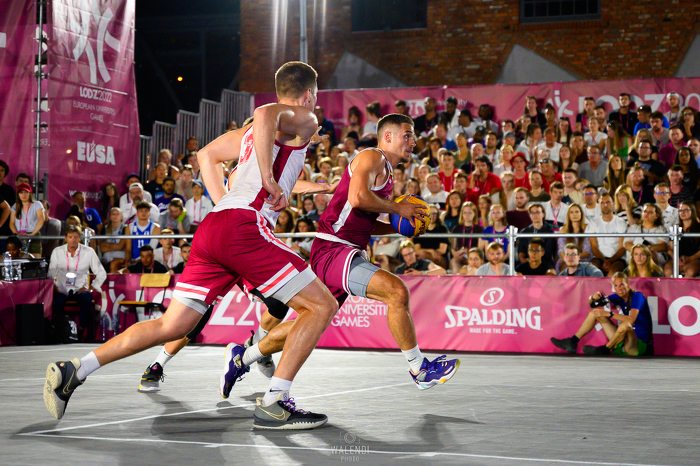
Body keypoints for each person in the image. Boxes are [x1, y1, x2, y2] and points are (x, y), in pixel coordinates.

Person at [551, 273, 653, 356]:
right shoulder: (618, 297)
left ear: (628, 285)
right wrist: (593, 297)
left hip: (637, 345)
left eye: (622, 284)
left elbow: (631, 320)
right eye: (616, 286)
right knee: (594, 313)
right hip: (622, 341)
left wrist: (609, 313)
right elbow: (592, 303)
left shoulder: (637, 296)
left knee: (625, 325)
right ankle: (573, 342)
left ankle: (605, 349)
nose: (619, 288)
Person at [49, 225, 107, 342]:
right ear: (66, 238)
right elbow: (50, 274)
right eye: (70, 237)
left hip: (80, 289)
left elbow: (101, 273)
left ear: (80, 238)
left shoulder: (88, 252)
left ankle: (80, 332)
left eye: (76, 237)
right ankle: (63, 330)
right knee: (55, 301)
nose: (73, 240)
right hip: (62, 289)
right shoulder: (57, 252)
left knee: (87, 299)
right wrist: (55, 287)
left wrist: (91, 287)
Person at [587, 192, 628, 276]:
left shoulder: (620, 222)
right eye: (602, 202)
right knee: (593, 268)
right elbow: (594, 246)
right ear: (599, 204)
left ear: (613, 203)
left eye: (608, 202)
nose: (605, 205)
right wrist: (604, 261)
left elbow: (622, 248)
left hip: (617, 258)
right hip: (599, 258)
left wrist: (610, 261)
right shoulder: (593, 222)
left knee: (614, 271)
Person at [664, 201, 700, 278]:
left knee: (690, 271)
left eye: (686, 210)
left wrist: (690, 258)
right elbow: (670, 249)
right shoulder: (675, 228)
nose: (682, 212)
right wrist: (676, 259)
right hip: (677, 258)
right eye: (680, 210)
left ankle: (683, 286)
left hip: (694, 259)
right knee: (668, 271)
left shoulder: (698, 227)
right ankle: (673, 286)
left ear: (692, 211)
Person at [10, 183, 45, 257]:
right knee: (19, 259)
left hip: (33, 235)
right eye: (21, 192)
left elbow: (41, 219)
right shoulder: (15, 206)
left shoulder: (37, 204)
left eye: (26, 192)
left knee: (36, 259)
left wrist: (32, 234)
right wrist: (17, 234)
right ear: (18, 194)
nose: (24, 195)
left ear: (30, 193)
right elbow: (11, 223)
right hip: (19, 236)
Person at [556, 203, 592, 271]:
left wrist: (575, 258)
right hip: (567, 260)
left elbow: (587, 252)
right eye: (571, 212)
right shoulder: (563, 230)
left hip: (582, 260)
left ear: (581, 214)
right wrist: (569, 259)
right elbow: (561, 250)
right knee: (565, 267)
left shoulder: (588, 229)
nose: (574, 214)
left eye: (577, 212)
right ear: (569, 215)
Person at [450, 201, 483, 273]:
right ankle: (457, 279)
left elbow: (480, 249)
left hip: (473, 257)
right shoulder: (457, 228)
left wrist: (468, 252)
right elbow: (453, 248)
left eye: (469, 213)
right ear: (462, 214)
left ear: (474, 214)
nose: (467, 215)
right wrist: (458, 253)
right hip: (460, 256)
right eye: (465, 213)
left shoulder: (479, 229)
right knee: (454, 261)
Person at [414, 204, 450, 268]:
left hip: (439, 257)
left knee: (422, 255)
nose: (432, 216)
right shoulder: (419, 229)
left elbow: (442, 250)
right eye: (429, 213)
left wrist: (430, 253)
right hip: (424, 257)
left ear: (437, 215)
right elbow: (417, 250)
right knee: (421, 256)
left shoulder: (442, 229)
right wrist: (431, 251)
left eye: (434, 214)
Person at [99, 207, 131, 273]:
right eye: (113, 214)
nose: (115, 215)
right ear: (109, 217)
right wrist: (118, 247)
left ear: (122, 216)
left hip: (121, 258)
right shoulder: (104, 229)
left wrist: (107, 245)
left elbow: (121, 246)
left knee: (114, 264)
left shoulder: (126, 228)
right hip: (106, 259)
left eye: (117, 214)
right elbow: (101, 248)